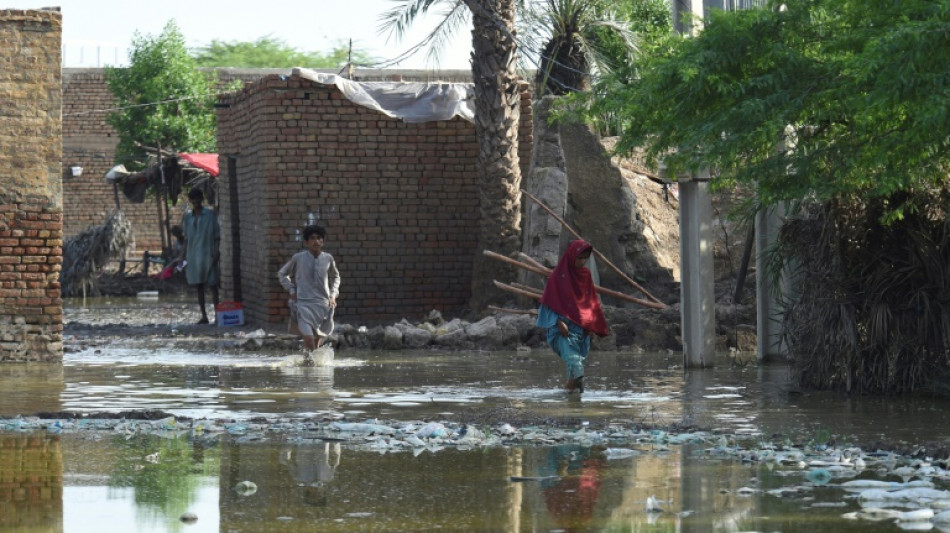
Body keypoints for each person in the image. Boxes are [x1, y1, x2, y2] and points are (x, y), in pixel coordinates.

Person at [537, 240, 608, 393]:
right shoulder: (558, 277)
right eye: (579, 258)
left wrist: (591, 327)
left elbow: (589, 302)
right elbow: (548, 303)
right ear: (571, 256)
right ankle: (574, 403)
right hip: (563, 330)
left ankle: (570, 407)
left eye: (585, 258)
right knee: (576, 366)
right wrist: (558, 322)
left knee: (574, 373)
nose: (582, 262)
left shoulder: (585, 276)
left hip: (580, 331)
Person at [278, 225, 340, 359]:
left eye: (319, 238)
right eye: (312, 238)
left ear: (323, 241)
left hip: (323, 306)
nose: (316, 241)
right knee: (309, 339)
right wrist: (291, 289)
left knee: (317, 343)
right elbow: (282, 274)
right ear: (306, 242)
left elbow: (336, 277)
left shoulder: (328, 258)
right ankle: (312, 369)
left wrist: (333, 295)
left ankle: (310, 372)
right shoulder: (298, 258)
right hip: (303, 304)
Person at [181, 188, 220, 324]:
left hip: (208, 254)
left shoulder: (210, 215)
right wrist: (182, 256)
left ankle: (217, 315)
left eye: (198, 198)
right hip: (193, 256)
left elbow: (217, 237)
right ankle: (204, 316)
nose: (196, 201)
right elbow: (186, 239)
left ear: (201, 199)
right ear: (190, 201)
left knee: (213, 286)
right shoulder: (187, 218)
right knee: (199, 286)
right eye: (193, 199)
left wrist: (216, 253)